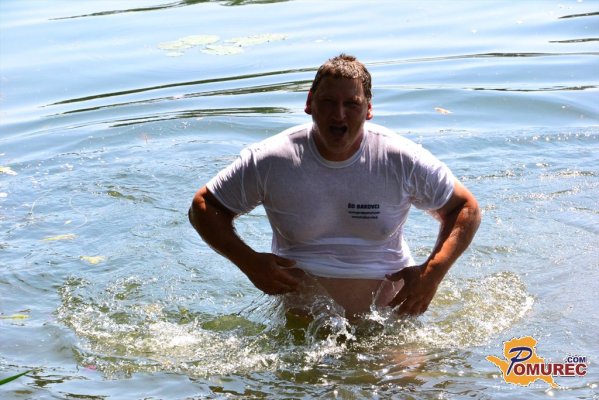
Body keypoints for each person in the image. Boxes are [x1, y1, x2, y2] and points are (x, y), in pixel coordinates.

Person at [189, 54, 481, 320]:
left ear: (368, 109)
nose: (338, 115)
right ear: (309, 103)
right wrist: (249, 262)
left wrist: (432, 273)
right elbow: (204, 206)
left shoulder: (400, 159)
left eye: (351, 104)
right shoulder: (272, 160)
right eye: (328, 102)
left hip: (389, 318)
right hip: (305, 319)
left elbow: (465, 208)